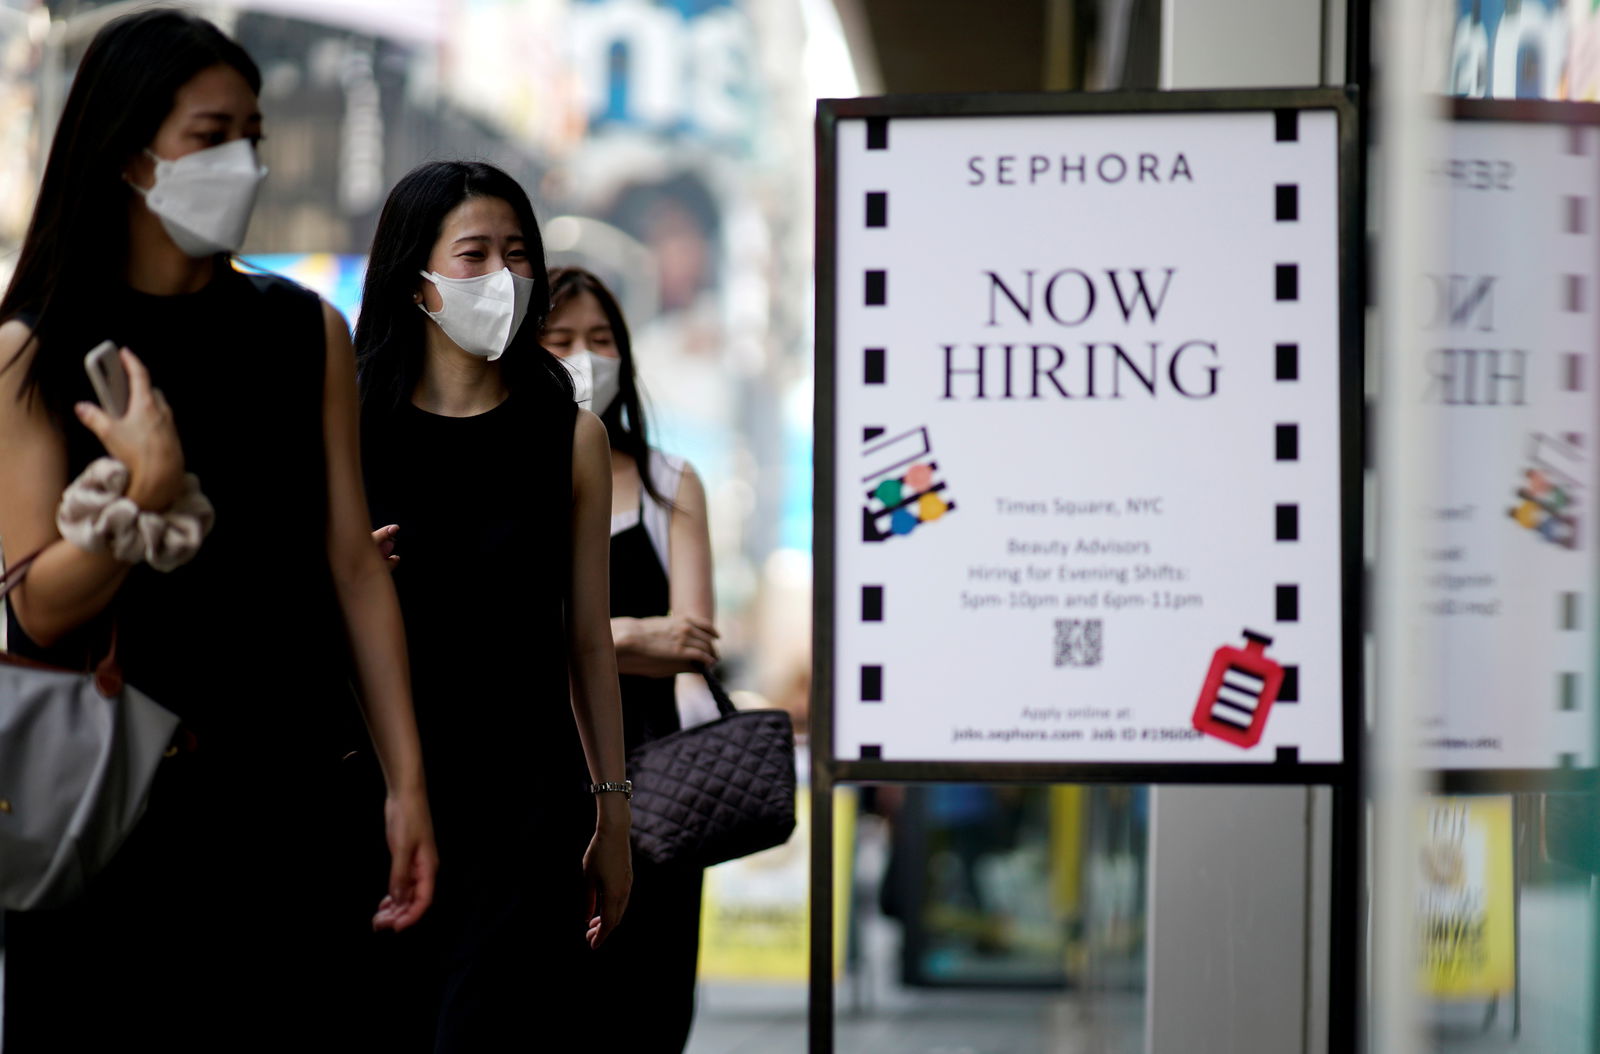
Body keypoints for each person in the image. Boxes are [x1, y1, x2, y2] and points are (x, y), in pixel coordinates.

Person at [0, 10, 436, 1050]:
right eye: (210, 134)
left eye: (253, 133)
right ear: (128, 154)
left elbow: (351, 567)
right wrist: (141, 500)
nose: (241, 160)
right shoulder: (37, 350)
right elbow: (33, 606)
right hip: (106, 820)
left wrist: (407, 783)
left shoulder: (303, 331)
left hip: (289, 812)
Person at [355, 163, 632, 1049]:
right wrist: (338, 577)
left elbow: (586, 642)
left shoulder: (569, 435)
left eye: (518, 255)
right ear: (416, 277)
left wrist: (612, 813)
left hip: (526, 810)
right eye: (474, 254)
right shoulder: (350, 426)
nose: (503, 278)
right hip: (373, 800)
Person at [543, 266, 718, 1052]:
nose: (585, 356)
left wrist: (579, 639)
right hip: (542, 767)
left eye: (602, 339)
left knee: (651, 998)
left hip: (661, 780)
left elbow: (693, 641)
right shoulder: (514, 479)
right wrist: (629, 638)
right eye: (562, 338)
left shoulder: (669, 482)